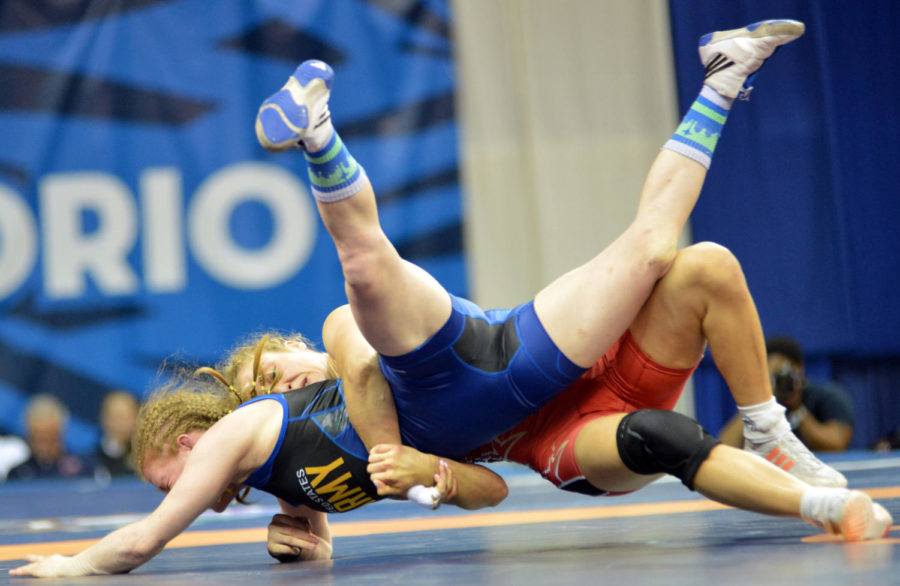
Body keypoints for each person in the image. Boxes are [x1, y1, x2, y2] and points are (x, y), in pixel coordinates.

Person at [13, 19, 888, 579]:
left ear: (201, 433)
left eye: (273, 368)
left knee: (368, 273)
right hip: (516, 405)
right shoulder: (289, 481)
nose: (278, 376)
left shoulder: (297, 395)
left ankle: (319, 131)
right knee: (659, 262)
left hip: (468, 355)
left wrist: (80, 565)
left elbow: (338, 348)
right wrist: (401, 485)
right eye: (266, 375)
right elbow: (478, 495)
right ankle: (723, 74)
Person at [720, 336, 855, 452]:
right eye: (770, 375)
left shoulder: (826, 396)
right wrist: (756, 404)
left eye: (781, 373)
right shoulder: (762, 406)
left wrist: (797, 409)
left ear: (800, 369)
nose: (778, 380)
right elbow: (726, 449)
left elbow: (837, 445)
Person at [7, 394, 97, 482]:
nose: (42, 446)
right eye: (37, 438)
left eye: (47, 438)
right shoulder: (17, 475)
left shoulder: (81, 471)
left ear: (60, 433)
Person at [94, 391, 140, 477]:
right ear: (104, 420)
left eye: (127, 417)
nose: (122, 423)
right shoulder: (92, 462)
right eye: (118, 417)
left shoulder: (144, 460)